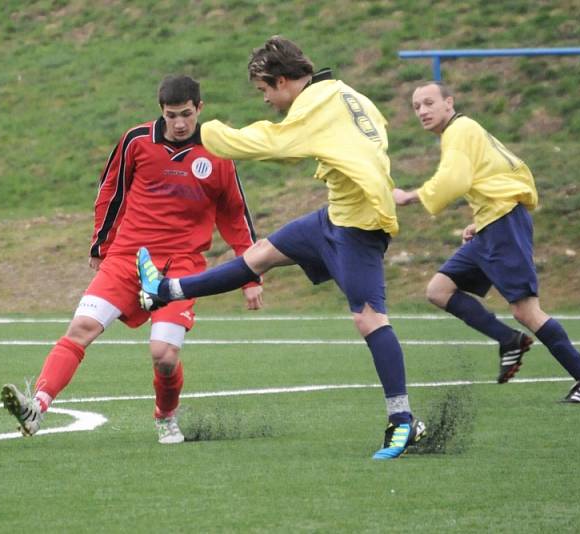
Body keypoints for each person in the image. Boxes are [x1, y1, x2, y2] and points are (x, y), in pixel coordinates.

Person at [137, 36, 426, 460]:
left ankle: (403, 421)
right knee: (260, 256)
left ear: (285, 81)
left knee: (369, 319)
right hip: (336, 215)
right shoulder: (345, 93)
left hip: (359, 225)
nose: (267, 100)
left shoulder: (313, 106)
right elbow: (374, 137)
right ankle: (167, 290)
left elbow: (272, 144)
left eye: (265, 90)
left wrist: (203, 131)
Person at [1, 75, 263, 444]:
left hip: (181, 267)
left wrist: (250, 275)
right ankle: (37, 407)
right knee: (81, 328)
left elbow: (236, 216)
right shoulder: (136, 141)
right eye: (172, 115)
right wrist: (100, 244)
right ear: (161, 112)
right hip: (127, 257)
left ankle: (165, 417)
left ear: (200, 109)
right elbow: (112, 191)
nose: (180, 123)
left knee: (164, 356)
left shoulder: (218, 152)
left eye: (186, 114)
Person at [393, 81, 580, 403]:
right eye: (416, 107)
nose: (422, 111)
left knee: (526, 311)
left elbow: (455, 179)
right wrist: (480, 219)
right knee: (439, 290)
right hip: (493, 224)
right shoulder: (464, 131)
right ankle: (509, 340)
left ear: (449, 103)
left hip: (503, 224)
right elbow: (503, 173)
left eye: (428, 103)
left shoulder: (459, 130)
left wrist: (411, 196)